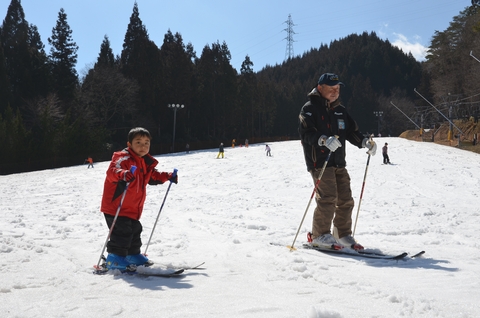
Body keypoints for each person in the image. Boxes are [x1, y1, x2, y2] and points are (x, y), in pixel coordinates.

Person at [298, 73, 376, 251]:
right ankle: (319, 235)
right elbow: (306, 133)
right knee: (328, 198)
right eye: (331, 89)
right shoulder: (309, 109)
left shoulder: (340, 110)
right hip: (320, 162)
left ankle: (342, 234)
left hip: (339, 161)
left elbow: (351, 131)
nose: (335, 92)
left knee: (346, 199)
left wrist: (364, 142)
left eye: (338, 89)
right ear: (320, 88)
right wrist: (323, 139)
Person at [100, 127, 178, 271]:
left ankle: (132, 254)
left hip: (132, 208)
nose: (143, 146)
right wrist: (122, 173)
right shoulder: (123, 158)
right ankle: (114, 258)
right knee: (122, 233)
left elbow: (153, 176)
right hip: (116, 207)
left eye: (146, 143)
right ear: (129, 144)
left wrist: (167, 176)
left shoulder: (144, 163)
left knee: (135, 230)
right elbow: (112, 171)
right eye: (138, 142)